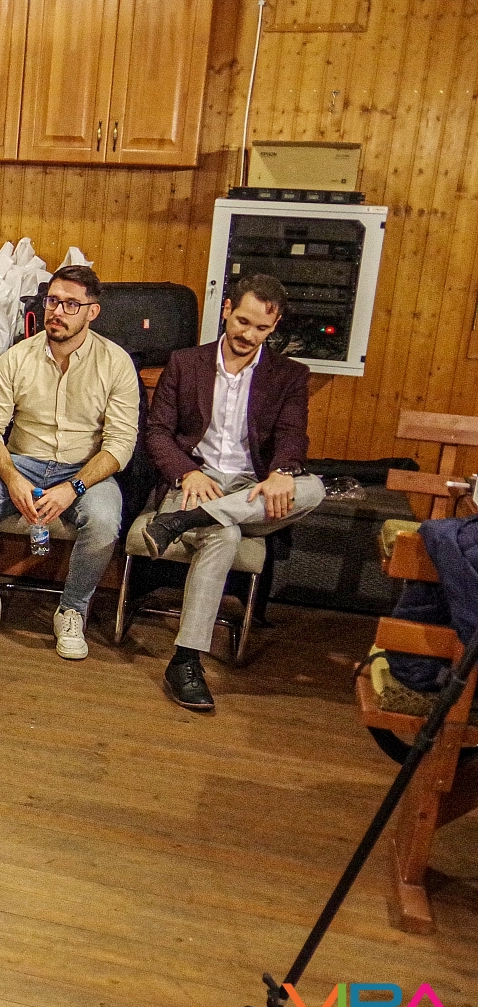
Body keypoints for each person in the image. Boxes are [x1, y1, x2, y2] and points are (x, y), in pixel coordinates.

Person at [142, 274, 325, 712]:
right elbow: (158, 432)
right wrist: (187, 473)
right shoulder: (185, 362)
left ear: (274, 326)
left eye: (261, 328)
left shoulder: (290, 375)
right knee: (223, 535)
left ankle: (186, 521)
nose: (249, 335)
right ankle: (185, 661)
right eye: (243, 321)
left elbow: (292, 435)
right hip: (197, 479)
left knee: (315, 488)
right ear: (226, 310)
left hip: (252, 486)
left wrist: (282, 472)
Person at [0, 265, 140, 659]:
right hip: (20, 460)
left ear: (92, 311)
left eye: (71, 304)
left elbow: (120, 444)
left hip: (84, 468)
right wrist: (12, 477)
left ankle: (72, 610)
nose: (57, 311)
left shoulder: (115, 362)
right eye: (53, 301)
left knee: (104, 522)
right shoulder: (17, 357)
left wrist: (74, 487)